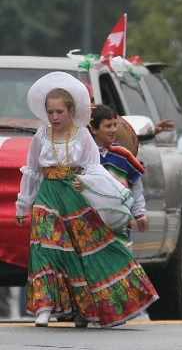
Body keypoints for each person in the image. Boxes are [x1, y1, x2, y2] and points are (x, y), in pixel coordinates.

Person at [14, 72, 158, 328]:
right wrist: (23, 205)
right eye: (50, 112)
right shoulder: (41, 136)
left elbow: (94, 168)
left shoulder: (82, 135)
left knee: (81, 252)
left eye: (59, 112)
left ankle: (84, 309)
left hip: (75, 196)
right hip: (48, 195)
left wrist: (87, 183)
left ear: (71, 111)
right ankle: (44, 307)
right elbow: (33, 170)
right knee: (44, 247)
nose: (54, 117)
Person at [83, 104, 149, 249]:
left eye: (114, 125)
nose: (113, 130)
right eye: (108, 126)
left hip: (120, 220)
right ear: (93, 129)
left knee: (120, 254)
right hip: (90, 220)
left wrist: (139, 213)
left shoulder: (122, 154)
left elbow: (135, 185)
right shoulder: (84, 156)